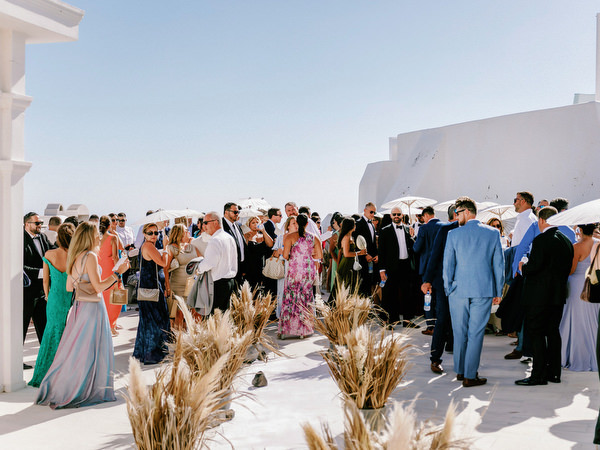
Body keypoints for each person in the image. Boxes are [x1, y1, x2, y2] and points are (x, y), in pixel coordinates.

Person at [36, 221, 129, 409]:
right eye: (97, 233)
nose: (100, 235)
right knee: (93, 349)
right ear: (90, 236)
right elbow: (99, 287)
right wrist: (118, 273)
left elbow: (70, 286)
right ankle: (90, 388)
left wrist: (83, 283)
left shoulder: (75, 256)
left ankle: (70, 385)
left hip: (79, 307)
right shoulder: (91, 256)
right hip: (93, 307)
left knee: (77, 349)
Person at [443, 196, 504, 387]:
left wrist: (449, 288)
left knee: (459, 332)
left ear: (468, 212)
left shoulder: (453, 234)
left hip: (457, 291)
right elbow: (499, 266)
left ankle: (461, 372)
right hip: (483, 289)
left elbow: (447, 266)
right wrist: (498, 290)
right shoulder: (493, 233)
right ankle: (469, 375)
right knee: (475, 333)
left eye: (458, 212)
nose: (455, 215)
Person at [515, 207, 573, 385]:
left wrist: (522, 266)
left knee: (537, 333)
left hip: (539, 297)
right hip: (557, 296)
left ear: (541, 220)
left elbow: (534, 268)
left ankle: (538, 375)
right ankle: (554, 373)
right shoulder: (566, 241)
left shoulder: (541, 240)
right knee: (553, 333)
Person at [29, 223, 75, 387]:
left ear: (58, 237)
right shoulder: (74, 255)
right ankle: (65, 372)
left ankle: (47, 372)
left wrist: (48, 297)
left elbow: (46, 280)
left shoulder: (49, 253)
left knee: (51, 333)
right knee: (67, 333)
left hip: (54, 298)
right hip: (70, 298)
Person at [422, 204, 458, 374]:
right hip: (444, 283)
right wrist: (427, 280)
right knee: (443, 318)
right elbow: (434, 255)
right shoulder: (444, 230)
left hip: (464, 284)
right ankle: (435, 359)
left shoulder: (475, 231)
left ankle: (461, 356)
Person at [560, 223, 600, 371]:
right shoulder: (599, 244)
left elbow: (571, 270)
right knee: (593, 322)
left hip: (578, 286)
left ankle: (573, 356)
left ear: (581, 230)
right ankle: (595, 357)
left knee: (575, 321)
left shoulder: (577, 247)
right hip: (594, 286)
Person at [279, 214, 322, 339]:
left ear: (297, 223)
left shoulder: (290, 237)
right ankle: (303, 329)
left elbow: (286, 255)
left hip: (294, 269)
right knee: (305, 298)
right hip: (308, 270)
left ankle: (286, 329)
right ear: (307, 224)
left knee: (291, 297)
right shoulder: (313, 237)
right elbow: (319, 255)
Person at [133, 222, 171, 365]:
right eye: (150, 233)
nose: (154, 236)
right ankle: (152, 354)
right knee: (157, 319)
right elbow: (163, 263)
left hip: (147, 287)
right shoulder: (148, 246)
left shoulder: (146, 245)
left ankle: (145, 352)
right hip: (151, 288)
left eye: (156, 233)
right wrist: (166, 247)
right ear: (144, 234)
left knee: (148, 321)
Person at [378, 207, 417, 327]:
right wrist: (382, 270)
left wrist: (412, 237)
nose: (396, 216)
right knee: (391, 294)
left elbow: (413, 248)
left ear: (402, 215)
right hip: (391, 267)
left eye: (398, 214)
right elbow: (382, 252)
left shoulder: (408, 229)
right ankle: (393, 320)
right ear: (390, 216)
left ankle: (407, 321)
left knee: (407, 294)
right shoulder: (385, 231)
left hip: (405, 266)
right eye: (394, 214)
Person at [23, 212, 51, 369]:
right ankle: (15, 362)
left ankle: (46, 359)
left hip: (42, 292)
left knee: (44, 327)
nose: (40, 225)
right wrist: (43, 273)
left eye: (41, 223)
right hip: (26, 293)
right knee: (21, 329)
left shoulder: (42, 237)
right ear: (27, 224)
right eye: (37, 223)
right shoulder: (19, 239)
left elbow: (51, 252)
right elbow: (20, 266)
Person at [195, 212, 238, 313]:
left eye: (205, 222)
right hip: (229, 282)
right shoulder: (229, 237)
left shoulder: (215, 240)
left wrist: (199, 268)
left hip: (217, 284)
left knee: (214, 320)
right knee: (223, 319)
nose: (203, 226)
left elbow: (210, 263)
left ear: (215, 222)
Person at [413, 206, 440, 335]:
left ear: (425, 216)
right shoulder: (443, 226)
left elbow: (417, 248)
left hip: (427, 268)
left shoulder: (423, 228)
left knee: (428, 296)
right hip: (440, 268)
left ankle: (430, 325)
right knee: (440, 297)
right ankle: (440, 324)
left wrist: (413, 239)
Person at [98, 216, 122, 336]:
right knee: (115, 299)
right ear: (109, 225)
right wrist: (119, 274)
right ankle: (111, 325)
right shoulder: (113, 238)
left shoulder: (96, 238)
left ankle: (105, 324)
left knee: (103, 298)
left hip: (99, 270)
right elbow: (116, 257)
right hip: (110, 269)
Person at [334, 217, 366, 295]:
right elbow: (346, 254)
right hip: (346, 264)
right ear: (351, 226)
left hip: (351, 263)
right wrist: (359, 253)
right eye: (354, 224)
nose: (355, 225)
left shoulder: (350, 237)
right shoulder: (346, 237)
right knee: (345, 286)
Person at [353, 202, 379, 296]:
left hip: (372, 260)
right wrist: (365, 255)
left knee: (370, 283)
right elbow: (356, 243)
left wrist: (376, 255)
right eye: (371, 212)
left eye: (374, 213)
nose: (373, 214)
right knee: (363, 285)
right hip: (363, 259)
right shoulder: (358, 223)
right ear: (365, 211)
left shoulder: (371, 225)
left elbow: (372, 243)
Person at [243, 215, 274, 291]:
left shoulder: (262, 236)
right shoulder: (246, 235)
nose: (255, 224)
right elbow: (244, 250)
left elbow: (270, 244)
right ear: (249, 224)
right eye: (253, 223)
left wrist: (263, 231)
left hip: (260, 267)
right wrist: (247, 239)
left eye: (257, 222)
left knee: (259, 291)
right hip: (249, 267)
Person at [222, 202, 247, 282]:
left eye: (238, 212)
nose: (237, 214)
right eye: (235, 212)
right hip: (228, 269)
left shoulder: (237, 226)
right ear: (226, 212)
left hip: (239, 269)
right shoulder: (221, 226)